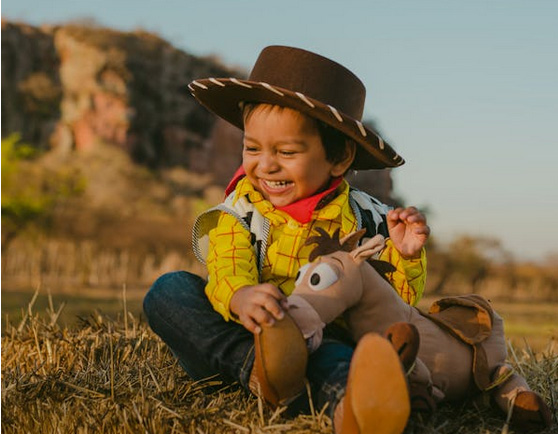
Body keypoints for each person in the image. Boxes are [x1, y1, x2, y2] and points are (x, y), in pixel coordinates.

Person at [143, 45, 430, 433]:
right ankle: (259, 371)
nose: (266, 165)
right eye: (252, 148)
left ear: (339, 158)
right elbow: (228, 266)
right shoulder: (238, 213)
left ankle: (358, 409)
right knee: (169, 291)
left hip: (321, 339)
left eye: (287, 151)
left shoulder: (368, 219)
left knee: (342, 360)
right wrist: (241, 296)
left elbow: (393, 304)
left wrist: (406, 256)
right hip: (242, 333)